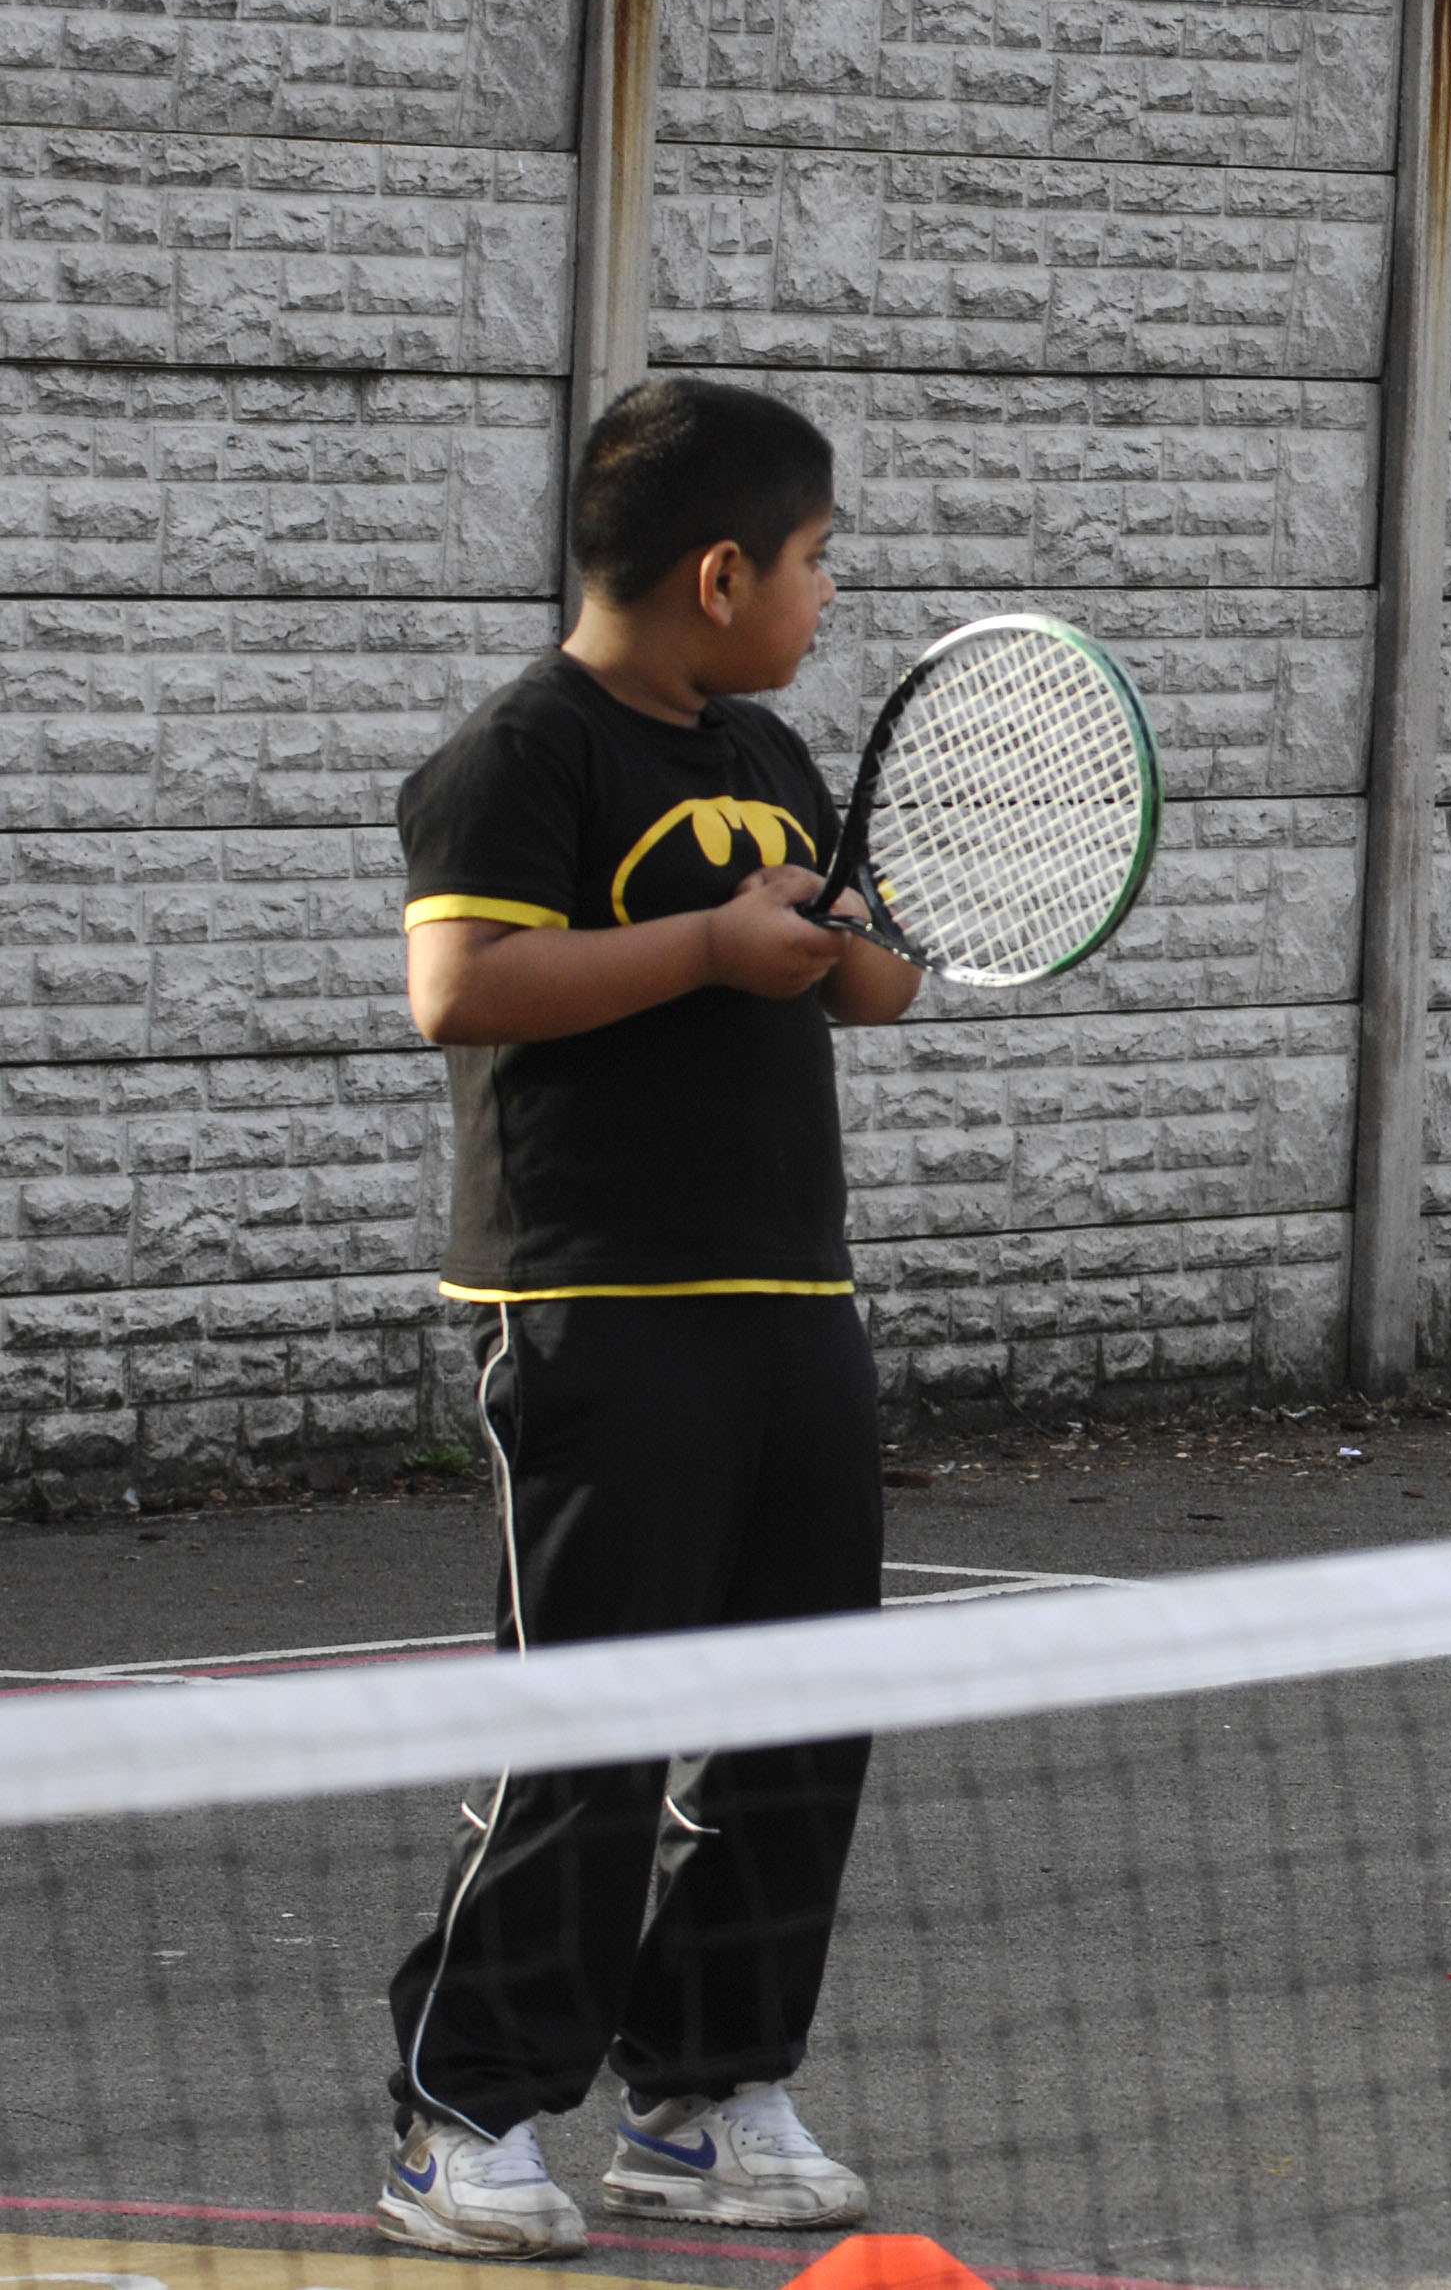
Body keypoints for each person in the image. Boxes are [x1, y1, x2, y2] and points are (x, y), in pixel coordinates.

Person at [376, 377, 923, 2256]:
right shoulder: (521, 755)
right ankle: (462, 2112)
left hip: (793, 1302)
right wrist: (707, 944)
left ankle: (706, 2092)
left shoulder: (769, 755)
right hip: (598, 1309)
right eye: (816, 559)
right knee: (589, 1724)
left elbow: (877, 992)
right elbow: (460, 988)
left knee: (804, 1705)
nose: (826, 591)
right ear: (718, 570)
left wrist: (839, 940)